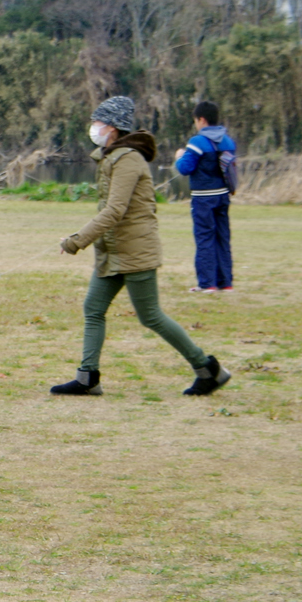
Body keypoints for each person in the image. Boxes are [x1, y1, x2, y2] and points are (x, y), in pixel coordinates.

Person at [52, 95, 230, 397]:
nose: (94, 127)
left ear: (114, 127)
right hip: (114, 251)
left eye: (99, 123)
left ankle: (208, 369)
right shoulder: (112, 156)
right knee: (93, 308)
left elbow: (114, 210)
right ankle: (87, 377)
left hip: (136, 252)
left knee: (151, 316)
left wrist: (76, 241)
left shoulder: (127, 159)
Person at [174, 100, 237, 293]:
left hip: (203, 198)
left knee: (204, 238)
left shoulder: (197, 142)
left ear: (201, 120)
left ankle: (207, 283)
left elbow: (185, 168)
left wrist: (179, 157)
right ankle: (225, 282)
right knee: (222, 238)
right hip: (222, 196)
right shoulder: (228, 141)